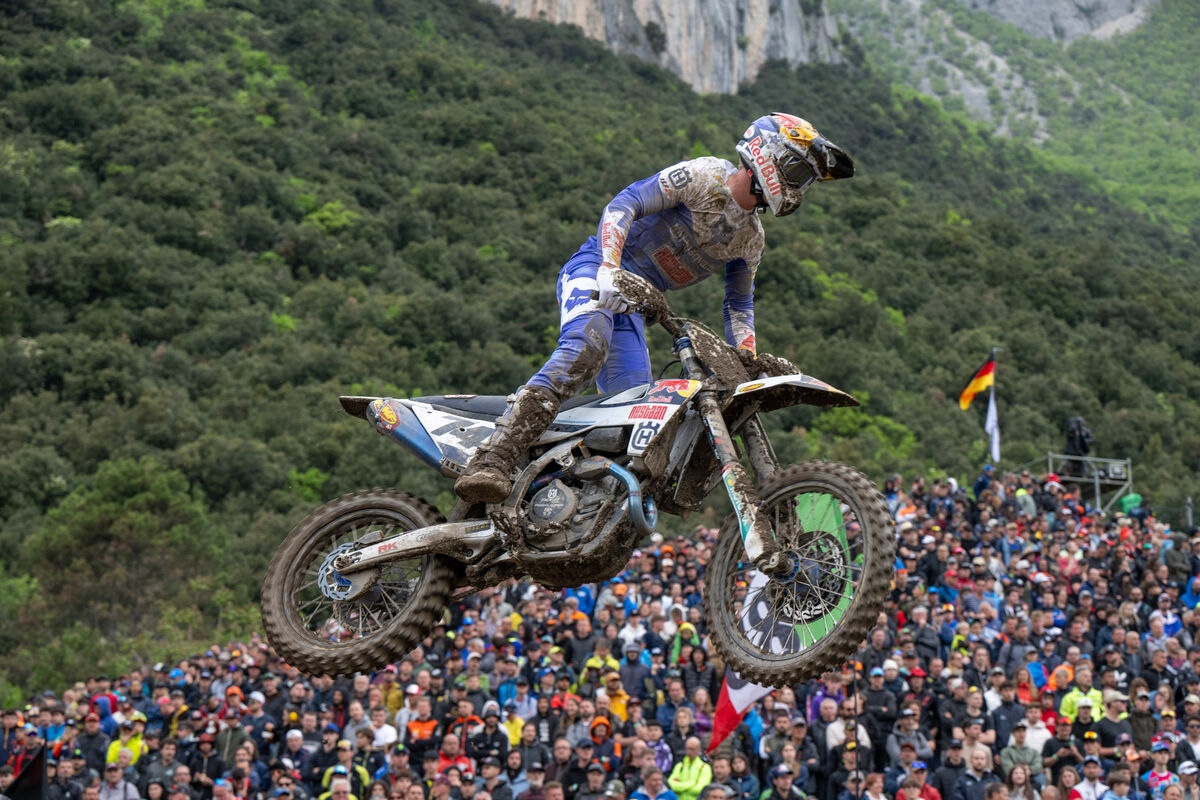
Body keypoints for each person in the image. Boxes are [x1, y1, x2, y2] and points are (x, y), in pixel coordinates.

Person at [452, 113, 854, 504]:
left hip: (635, 302)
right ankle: (495, 457)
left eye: (805, 181)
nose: (798, 187)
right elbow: (624, 204)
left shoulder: (749, 238)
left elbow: (739, 303)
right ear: (767, 154)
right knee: (586, 347)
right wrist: (609, 267)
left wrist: (746, 356)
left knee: (638, 416)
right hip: (595, 269)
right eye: (797, 172)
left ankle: (566, 498)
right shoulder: (703, 176)